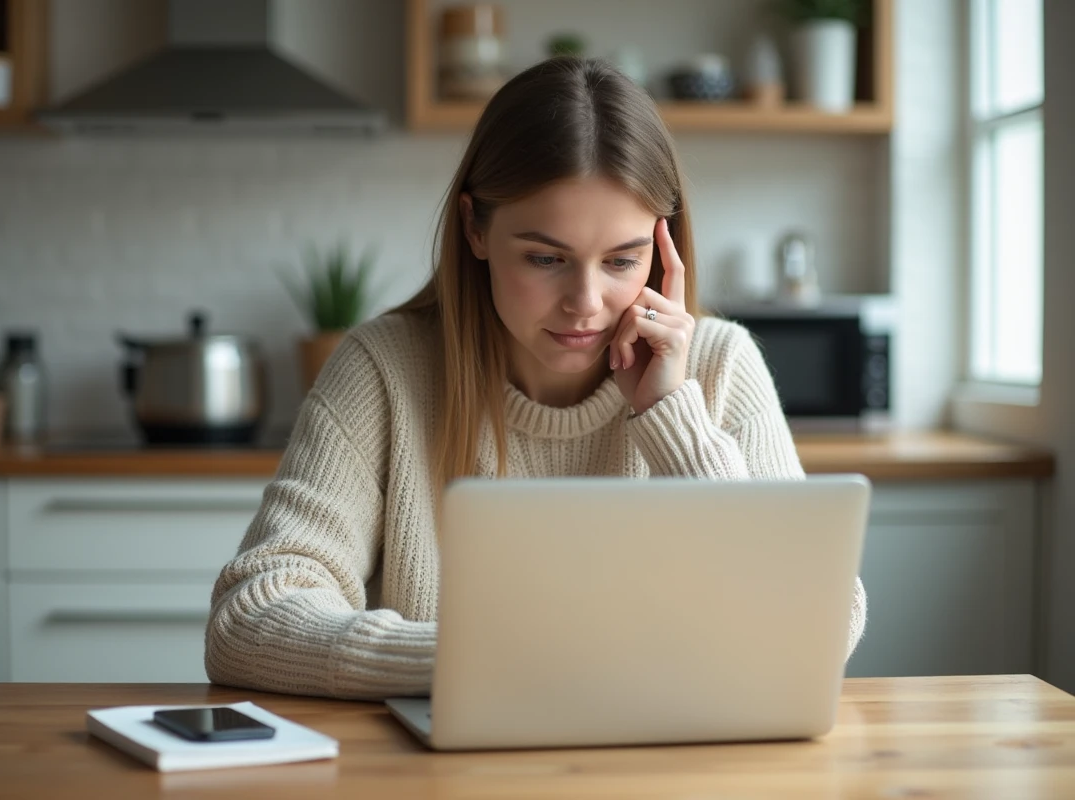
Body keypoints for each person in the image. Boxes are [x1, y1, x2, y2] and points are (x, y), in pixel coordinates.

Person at [204, 56, 867, 700]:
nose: (585, 303)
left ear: (662, 249)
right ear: (475, 228)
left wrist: (674, 419)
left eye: (622, 261)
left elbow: (822, 624)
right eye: (546, 259)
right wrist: (479, 662)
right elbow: (247, 620)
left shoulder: (719, 365)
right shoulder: (382, 371)